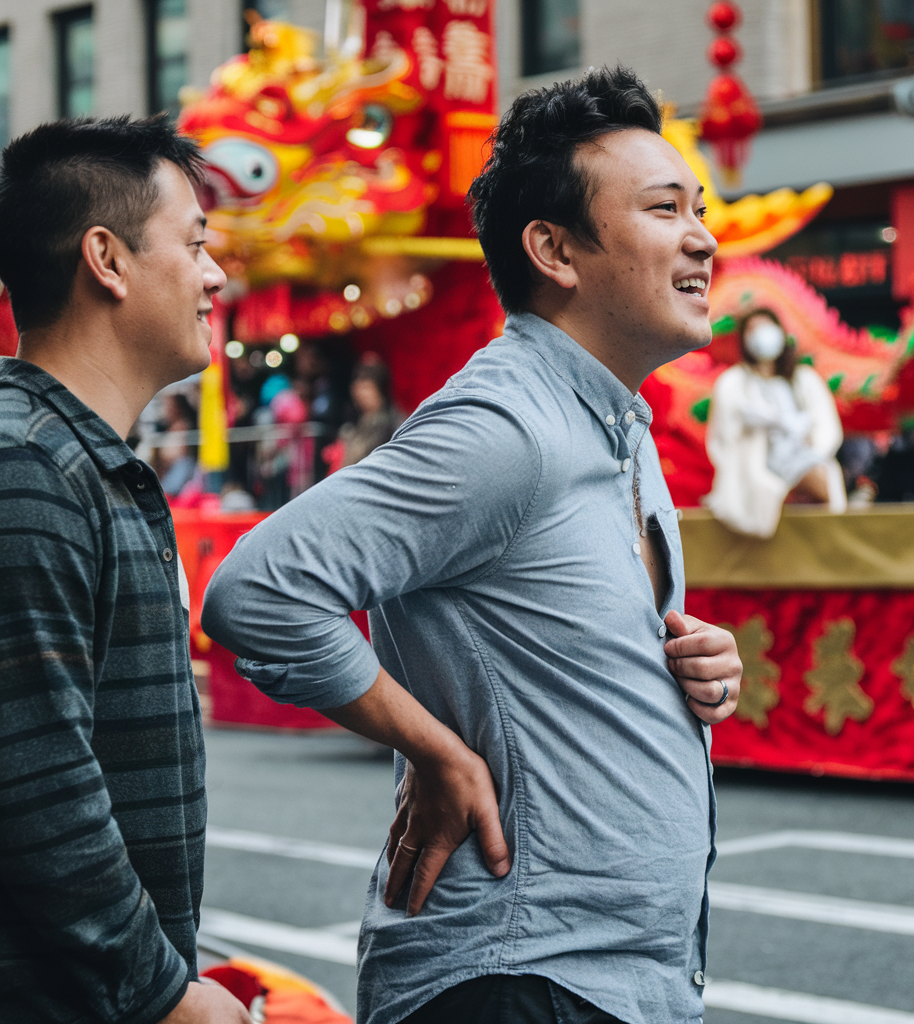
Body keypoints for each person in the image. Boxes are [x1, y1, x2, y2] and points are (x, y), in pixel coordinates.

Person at [203, 66, 741, 1024]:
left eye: (699, 208)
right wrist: (436, 751)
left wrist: (684, 660)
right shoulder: (506, 426)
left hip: (617, 980)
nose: (704, 238)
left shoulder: (618, 424)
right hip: (520, 979)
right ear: (555, 250)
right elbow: (259, 591)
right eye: (667, 211)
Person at [0, 116, 251, 1023]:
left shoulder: (75, 458)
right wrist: (165, 994)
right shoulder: (27, 467)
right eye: (195, 244)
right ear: (106, 259)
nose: (215, 274)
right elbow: (34, 777)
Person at [703, 307, 847, 538]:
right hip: (756, 466)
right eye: (752, 329)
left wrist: (811, 444)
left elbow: (826, 427)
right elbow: (722, 438)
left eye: (766, 326)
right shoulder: (732, 383)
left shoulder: (804, 379)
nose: (761, 333)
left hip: (802, 458)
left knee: (822, 485)